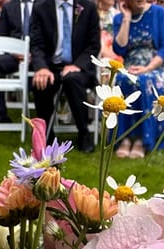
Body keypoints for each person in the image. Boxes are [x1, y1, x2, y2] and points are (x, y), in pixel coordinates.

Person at [29, 0, 100, 153]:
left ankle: (84, 133)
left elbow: (93, 45)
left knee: (72, 79)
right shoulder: (41, 7)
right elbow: (36, 44)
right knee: (41, 82)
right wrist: (41, 68)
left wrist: (77, 65)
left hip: (79, 67)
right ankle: (47, 136)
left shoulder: (88, 7)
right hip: (51, 66)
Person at [112, 0, 164, 158]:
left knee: (143, 81)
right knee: (122, 80)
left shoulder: (158, 12)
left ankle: (142, 140)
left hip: (156, 67)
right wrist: (126, 18)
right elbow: (119, 48)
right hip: (130, 66)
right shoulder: (119, 19)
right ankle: (125, 138)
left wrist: (147, 68)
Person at [0, 0, 31, 123]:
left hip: (39, 55)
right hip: (15, 55)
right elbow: (2, 35)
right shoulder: (9, 7)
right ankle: (0, 114)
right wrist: (15, 53)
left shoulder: (44, 5)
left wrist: (34, 54)